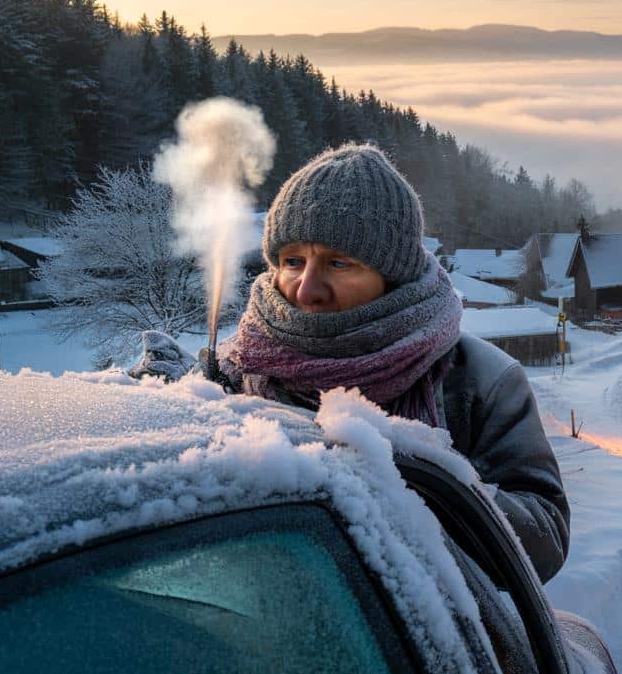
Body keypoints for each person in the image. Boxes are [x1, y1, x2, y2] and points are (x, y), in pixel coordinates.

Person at [212, 144, 569, 583]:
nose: (306, 289)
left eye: (338, 262)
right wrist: (165, 402)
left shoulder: (481, 381)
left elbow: (545, 540)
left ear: (393, 276)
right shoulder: (235, 369)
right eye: (293, 262)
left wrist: (422, 475)